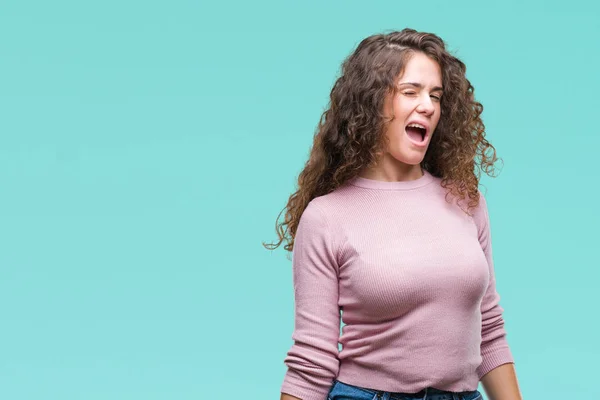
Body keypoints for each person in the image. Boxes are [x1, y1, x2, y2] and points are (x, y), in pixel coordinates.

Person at [264, 28, 523, 400]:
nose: (429, 106)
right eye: (411, 92)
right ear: (371, 104)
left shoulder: (466, 201)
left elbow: (490, 330)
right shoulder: (326, 217)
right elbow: (312, 359)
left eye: (435, 95)